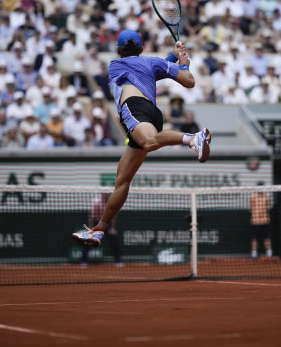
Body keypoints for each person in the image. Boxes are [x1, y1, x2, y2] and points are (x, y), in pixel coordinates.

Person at [72, 30, 211, 247]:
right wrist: (181, 62)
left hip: (134, 108)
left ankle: (193, 138)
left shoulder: (114, 66)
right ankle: (99, 229)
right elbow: (188, 80)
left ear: (119, 49)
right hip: (152, 113)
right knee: (122, 181)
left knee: (148, 141)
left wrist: (174, 58)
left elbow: (145, 68)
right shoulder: (153, 63)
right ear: (142, 48)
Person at [80, 193, 123, 268]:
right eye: (105, 194)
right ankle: (84, 261)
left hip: (107, 223)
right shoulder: (97, 202)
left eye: (108, 194)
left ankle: (118, 260)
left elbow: (113, 216)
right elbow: (91, 216)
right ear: (103, 194)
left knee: (115, 239)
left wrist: (112, 228)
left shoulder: (112, 202)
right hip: (96, 224)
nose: (107, 195)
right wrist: (91, 228)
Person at [250, 181, 272, 259]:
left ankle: (269, 253)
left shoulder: (266, 197)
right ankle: (254, 254)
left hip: (265, 221)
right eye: (259, 186)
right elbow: (251, 208)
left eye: (262, 186)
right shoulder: (253, 197)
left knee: (267, 237)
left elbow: (268, 208)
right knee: (254, 238)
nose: (260, 188)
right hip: (255, 222)